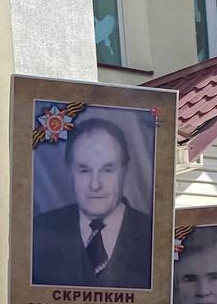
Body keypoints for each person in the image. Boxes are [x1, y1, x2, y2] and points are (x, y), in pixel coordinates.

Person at [31, 117, 154, 289]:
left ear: (125, 170)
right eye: (84, 170)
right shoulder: (38, 233)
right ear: (70, 172)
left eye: (107, 170)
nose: (95, 185)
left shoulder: (153, 235)